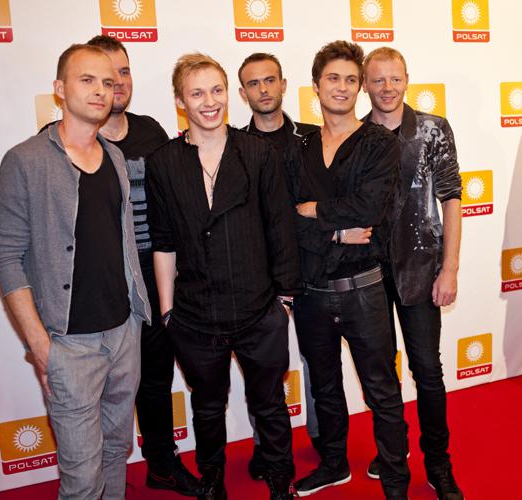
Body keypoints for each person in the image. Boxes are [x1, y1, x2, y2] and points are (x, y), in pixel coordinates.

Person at [0, 44, 151, 499]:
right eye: (87, 80)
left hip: (123, 333)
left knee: (116, 450)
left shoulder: (115, 157)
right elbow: (5, 255)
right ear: (59, 89)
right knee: (82, 479)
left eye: (108, 82)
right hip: (68, 344)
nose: (102, 90)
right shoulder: (26, 159)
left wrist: (135, 319)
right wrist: (41, 347)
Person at [145, 53, 301, 500]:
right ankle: (212, 479)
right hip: (195, 315)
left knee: (269, 403)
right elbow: (163, 240)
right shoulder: (163, 162)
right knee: (207, 407)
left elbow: (280, 227)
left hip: (259, 309)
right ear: (180, 101)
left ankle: (280, 480)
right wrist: (168, 311)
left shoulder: (257, 153)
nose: (209, 101)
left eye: (216, 90)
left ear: (228, 94)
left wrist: (284, 300)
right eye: (197, 93)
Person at [283, 40, 409, 499]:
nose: (342, 87)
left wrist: (314, 209)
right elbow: (285, 219)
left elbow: (370, 208)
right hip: (312, 292)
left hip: (364, 290)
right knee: (324, 386)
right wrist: (335, 232)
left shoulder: (380, 143)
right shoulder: (297, 148)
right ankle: (333, 464)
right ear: (316, 85)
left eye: (351, 80)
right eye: (333, 78)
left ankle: (395, 479)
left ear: (360, 88)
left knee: (382, 389)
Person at [84, 35, 199, 496]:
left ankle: (162, 465)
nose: (116, 82)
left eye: (124, 71)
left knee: (156, 378)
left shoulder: (152, 131)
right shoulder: (68, 136)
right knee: (97, 388)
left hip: (154, 278)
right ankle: (95, 478)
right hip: (100, 285)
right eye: (104, 74)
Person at [362, 46, 465, 500]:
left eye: (395, 78)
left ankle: (438, 464)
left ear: (407, 80)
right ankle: (393, 450)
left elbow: (452, 199)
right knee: (381, 374)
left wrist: (450, 269)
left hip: (422, 269)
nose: (387, 88)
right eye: (378, 79)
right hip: (366, 273)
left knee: (427, 369)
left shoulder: (432, 129)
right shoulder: (355, 135)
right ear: (365, 84)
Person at [237, 51, 321, 480]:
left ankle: (324, 438)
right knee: (263, 372)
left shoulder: (314, 138)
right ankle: (267, 446)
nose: (264, 89)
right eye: (254, 83)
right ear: (243, 93)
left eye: (270, 80)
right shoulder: (233, 145)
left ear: (284, 85)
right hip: (257, 277)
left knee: (318, 361)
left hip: (313, 268)